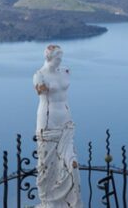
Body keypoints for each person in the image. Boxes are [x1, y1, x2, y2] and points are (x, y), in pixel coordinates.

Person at [33, 45, 83, 208]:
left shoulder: (65, 71)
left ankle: (72, 203)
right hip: (48, 123)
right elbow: (40, 91)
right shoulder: (39, 76)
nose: (60, 61)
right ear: (48, 58)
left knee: (72, 163)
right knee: (47, 165)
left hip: (66, 123)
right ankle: (49, 202)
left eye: (61, 58)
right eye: (57, 59)